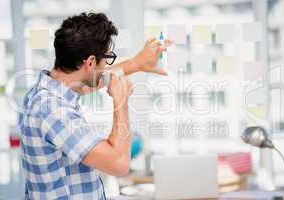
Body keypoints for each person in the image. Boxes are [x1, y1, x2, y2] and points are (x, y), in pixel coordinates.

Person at [18, 12, 170, 199]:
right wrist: (121, 101)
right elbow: (119, 163)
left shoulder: (45, 92)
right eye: (107, 58)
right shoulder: (53, 110)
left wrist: (137, 64)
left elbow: (87, 83)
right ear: (90, 62)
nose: (107, 66)